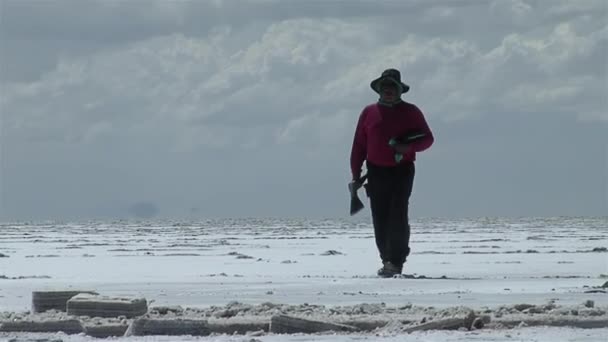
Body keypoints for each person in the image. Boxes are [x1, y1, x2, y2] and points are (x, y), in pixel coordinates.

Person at [349, 68, 434, 277]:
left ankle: (397, 260)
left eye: (392, 87)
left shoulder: (412, 111)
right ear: (378, 89)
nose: (388, 90)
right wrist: (355, 175)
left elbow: (427, 139)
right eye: (384, 87)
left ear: (399, 90)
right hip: (375, 171)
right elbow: (359, 145)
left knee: (398, 214)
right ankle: (386, 260)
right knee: (380, 216)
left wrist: (407, 148)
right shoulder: (368, 112)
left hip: (402, 171)